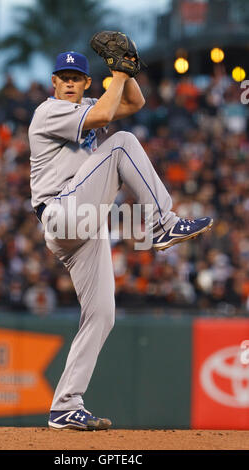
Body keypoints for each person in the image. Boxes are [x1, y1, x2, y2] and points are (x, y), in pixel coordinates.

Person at [28, 51, 213, 431]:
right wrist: (118, 71)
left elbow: (134, 102)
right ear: (53, 82)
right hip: (61, 213)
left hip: (84, 223)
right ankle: (163, 222)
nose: (68, 82)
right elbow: (104, 116)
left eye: (75, 77)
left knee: (102, 314)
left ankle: (65, 405)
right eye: (62, 76)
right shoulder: (48, 111)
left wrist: (125, 72)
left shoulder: (94, 101)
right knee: (122, 142)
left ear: (85, 83)